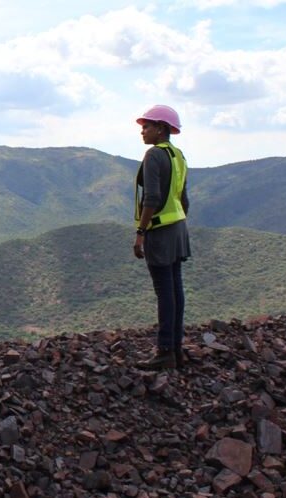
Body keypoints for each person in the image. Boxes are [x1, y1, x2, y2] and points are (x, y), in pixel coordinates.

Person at [132, 105, 192, 370]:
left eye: (147, 126)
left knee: (165, 293)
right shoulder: (178, 156)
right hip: (178, 229)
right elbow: (184, 200)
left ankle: (165, 351)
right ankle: (176, 350)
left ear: (161, 129)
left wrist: (141, 233)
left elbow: (152, 198)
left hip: (160, 231)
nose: (142, 131)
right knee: (175, 290)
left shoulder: (154, 155)